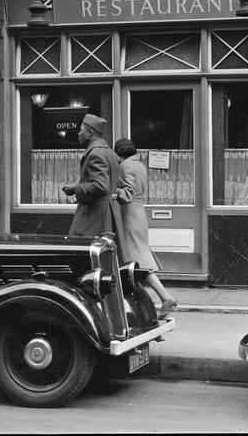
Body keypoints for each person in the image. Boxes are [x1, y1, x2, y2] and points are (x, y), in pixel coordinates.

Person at [114, 137, 177, 319]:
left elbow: (127, 194)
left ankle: (165, 297)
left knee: (136, 261)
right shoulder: (140, 165)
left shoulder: (125, 166)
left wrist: (110, 190)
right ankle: (148, 299)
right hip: (139, 213)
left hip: (128, 214)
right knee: (137, 259)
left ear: (119, 154)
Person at [63, 114, 124, 243]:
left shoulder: (95, 154)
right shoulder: (110, 152)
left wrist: (76, 189)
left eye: (81, 130)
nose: (78, 134)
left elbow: (100, 186)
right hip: (109, 211)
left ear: (90, 132)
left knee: (82, 250)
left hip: (95, 215)